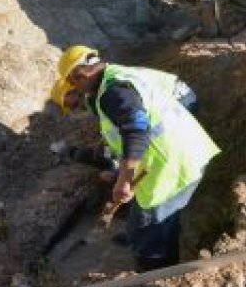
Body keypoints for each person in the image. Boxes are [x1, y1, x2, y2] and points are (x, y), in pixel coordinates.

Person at [52, 45, 220, 271]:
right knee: (161, 218)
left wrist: (124, 179)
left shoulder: (113, 91)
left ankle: (153, 273)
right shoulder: (115, 77)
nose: (75, 90)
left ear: (79, 75)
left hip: (170, 165)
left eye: (73, 84)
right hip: (180, 153)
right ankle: (157, 250)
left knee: (148, 227)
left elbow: (136, 130)